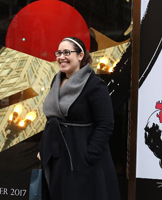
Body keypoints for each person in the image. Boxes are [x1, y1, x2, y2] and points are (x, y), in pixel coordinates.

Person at [38, 37, 121, 200]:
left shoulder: (95, 85)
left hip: (82, 156)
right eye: (59, 52)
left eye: (67, 52)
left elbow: (105, 125)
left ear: (80, 55)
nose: (61, 57)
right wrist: (44, 147)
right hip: (57, 155)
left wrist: (88, 155)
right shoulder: (56, 80)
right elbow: (53, 119)